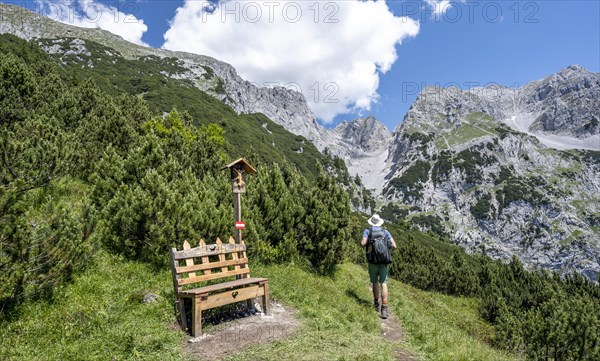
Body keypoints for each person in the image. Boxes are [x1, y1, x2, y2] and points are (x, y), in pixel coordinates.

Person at [360, 214, 396, 319]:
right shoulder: (385, 232)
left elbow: (363, 243)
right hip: (384, 262)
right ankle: (384, 308)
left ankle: (376, 304)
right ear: (380, 222)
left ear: (371, 222)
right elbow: (394, 246)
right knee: (383, 283)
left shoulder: (368, 231)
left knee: (374, 282)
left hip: (373, 261)